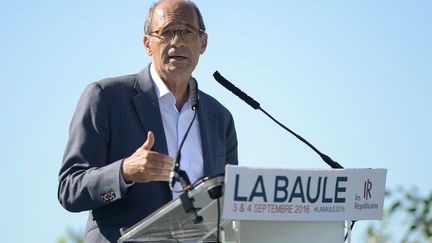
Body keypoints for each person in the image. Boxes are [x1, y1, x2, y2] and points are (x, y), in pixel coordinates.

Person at [57, 0, 238, 242]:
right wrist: (124, 173)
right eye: (166, 33)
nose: (177, 41)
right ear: (147, 44)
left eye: (187, 32)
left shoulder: (219, 117)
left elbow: (231, 202)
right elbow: (70, 189)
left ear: (202, 42)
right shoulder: (106, 97)